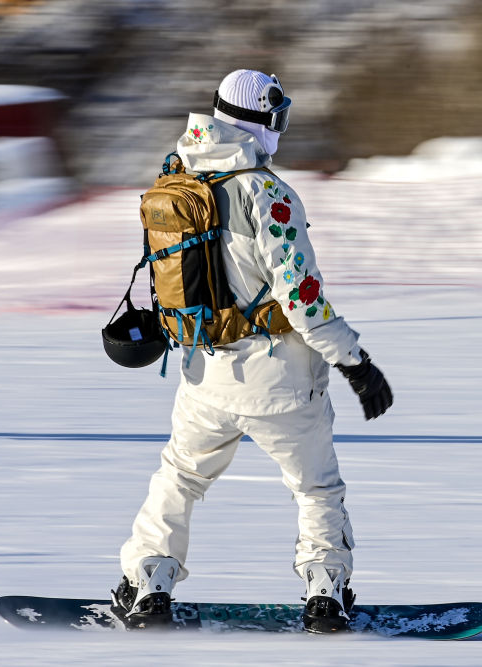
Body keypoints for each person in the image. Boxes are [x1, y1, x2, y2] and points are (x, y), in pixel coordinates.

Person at [110, 69, 393, 633]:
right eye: (278, 118)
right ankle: (325, 592)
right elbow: (304, 299)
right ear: (262, 119)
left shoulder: (178, 175)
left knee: (180, 477)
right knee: (316, 488)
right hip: (280, 380)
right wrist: (356, 363)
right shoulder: (268, 194)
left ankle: (148, 585)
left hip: (202, 376)